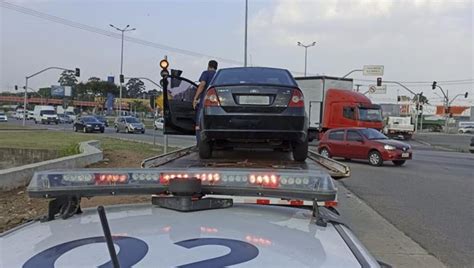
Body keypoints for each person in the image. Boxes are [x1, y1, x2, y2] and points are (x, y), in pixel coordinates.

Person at [193, 60, 218, 143]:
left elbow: (202, 84)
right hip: (216, 104)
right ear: (216, 67)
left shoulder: (206, 73)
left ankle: (200, 143)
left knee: (199, 124)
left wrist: (195, 98)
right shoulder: (218, 75)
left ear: (208, 66)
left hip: (205, 102)